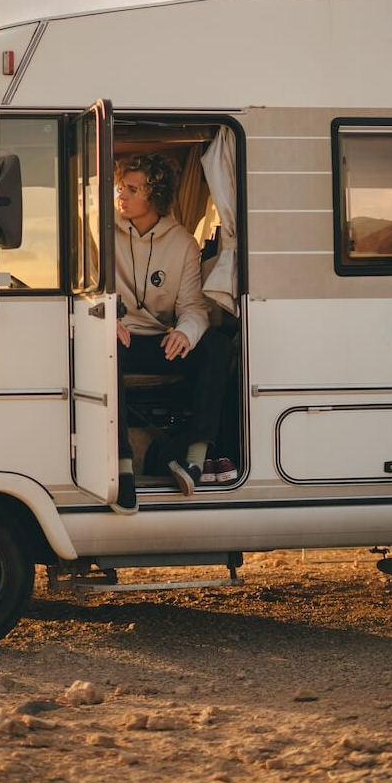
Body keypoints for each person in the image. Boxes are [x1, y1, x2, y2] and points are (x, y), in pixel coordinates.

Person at [109, 153, 233, 514]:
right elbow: (84, 289)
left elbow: (194, 306)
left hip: (156, 340)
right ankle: (123, 469)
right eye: (121, 188)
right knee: (105, 349)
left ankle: (196, 459)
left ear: (155, 195)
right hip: (118, 337)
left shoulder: (183, 244)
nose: (122, 196)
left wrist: (185, 333)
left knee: (217, 346)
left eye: (132, 189)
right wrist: (102, 320)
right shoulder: (100, 230)